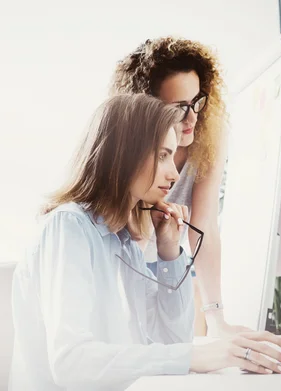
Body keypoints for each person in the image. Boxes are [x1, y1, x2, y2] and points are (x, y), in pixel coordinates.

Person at [9, 94, 281, 391]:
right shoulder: (69, 227)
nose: (175, 173)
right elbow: (72, 363)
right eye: (162, 155)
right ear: (125, 154)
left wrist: (169, 253)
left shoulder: (123, 242)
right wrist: (199, 354)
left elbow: (171, 342)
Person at [111, 37, 249, 336]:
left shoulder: (209, 132)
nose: (192, 118)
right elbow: (129, 237)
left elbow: (204, 226)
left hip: (169, 255)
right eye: (178, 107)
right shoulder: (130, 145)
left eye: (197, 101)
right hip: (127, 261)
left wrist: (217, 321)